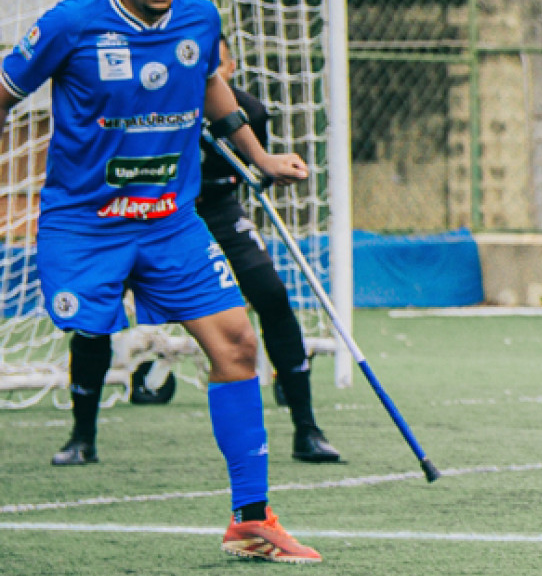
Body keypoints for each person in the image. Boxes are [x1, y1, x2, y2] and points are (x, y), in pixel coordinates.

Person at [0, 0, 322, 561]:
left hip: (172, 221)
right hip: (85, 224)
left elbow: (210, 89)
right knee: (87, 327)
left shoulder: (201, 18)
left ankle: (250, 519)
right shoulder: (70, 23)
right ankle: (84, 426)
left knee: (236, 344)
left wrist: (260, 158)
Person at [57, 40, 343, 466]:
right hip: (140, 213)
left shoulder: (249, 113)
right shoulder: (145, 107)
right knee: (96, 313)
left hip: (216, 210)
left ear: (227, 67)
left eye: (217, 66)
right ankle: (82, 436)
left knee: (271, 293)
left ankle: (307, 428)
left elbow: (248, 175)